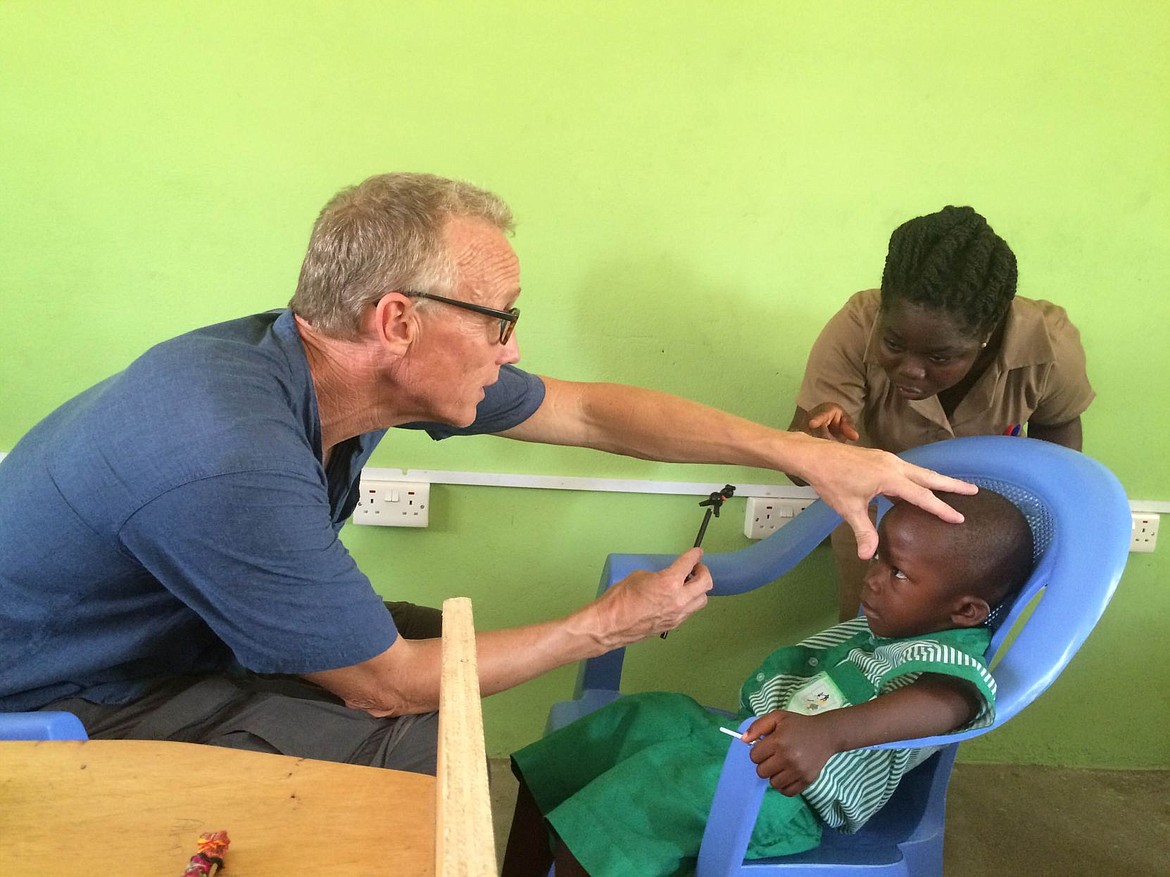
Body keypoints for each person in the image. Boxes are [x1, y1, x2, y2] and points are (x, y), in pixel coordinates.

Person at [0, 173, 975, 774]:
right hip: (53, 695)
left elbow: (593, 409)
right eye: (499, 317)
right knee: (407, 724)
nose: (512, 347)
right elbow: (385, 686)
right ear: (397, 321)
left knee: (437, 657)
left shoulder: (328, 369)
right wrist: (605, 623)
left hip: (156, 635)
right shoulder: (225, 447)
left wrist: (798, 448)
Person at [501, 489, 1034, 877]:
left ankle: (583, 855)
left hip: (791, 797)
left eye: (897, 573)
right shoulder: (896, 621)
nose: (871, 576)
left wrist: (829, 734)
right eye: (878, 555)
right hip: (741, 740)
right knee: (638, 717)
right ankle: (517, 862)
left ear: (965, 610)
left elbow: (944, 705)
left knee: (646, 800)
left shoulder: (946, 660)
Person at [788, 205, 1092, 619]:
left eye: (940, 356)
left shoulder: (1050, 349)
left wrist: (1047, 541)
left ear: (986, 335)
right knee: (861, 644)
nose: (911, 370)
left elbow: (1058, 450)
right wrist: (814, 445)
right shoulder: (857, 327)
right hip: (877, 527)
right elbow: (794, 463)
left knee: (964, 658)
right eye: (894, 344)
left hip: (986, 542)